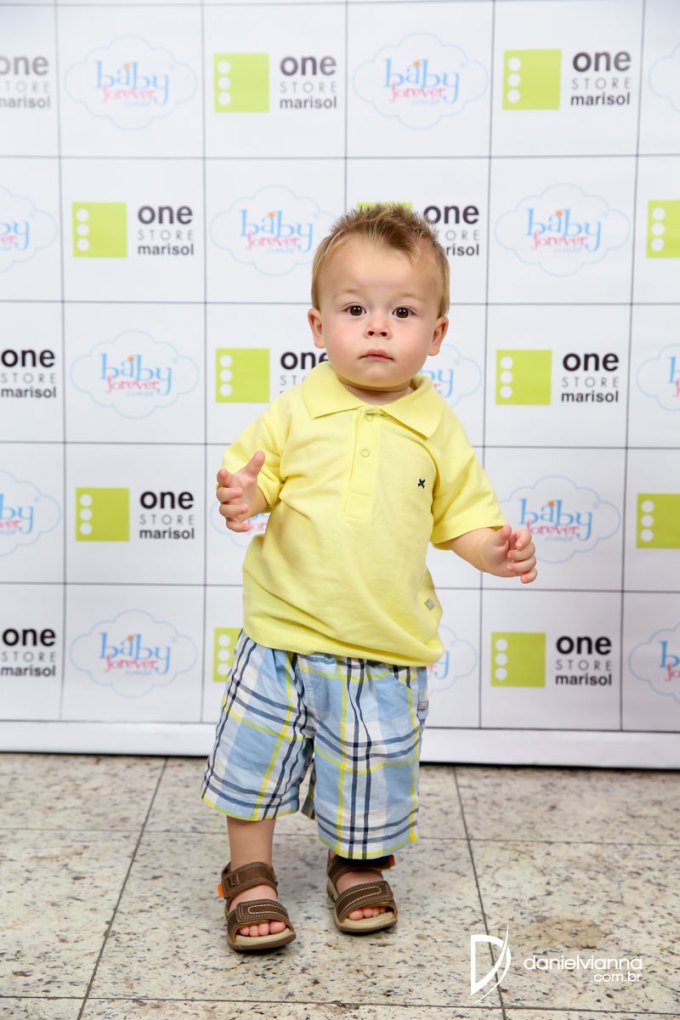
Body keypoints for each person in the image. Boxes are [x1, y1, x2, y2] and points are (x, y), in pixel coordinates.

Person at [202, 204, 537, 952]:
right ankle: (249, 872)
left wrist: (496, 551)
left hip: (383, 642)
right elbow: (256, 479)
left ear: (436, 334)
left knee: (369, 769)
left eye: (402, 312)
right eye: (355, 310)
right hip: (283, 632)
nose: (378, 327)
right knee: (254, 760)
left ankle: (355, 864)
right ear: (319, 326)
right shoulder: (296, 411)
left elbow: (462, 518)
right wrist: (244, 496)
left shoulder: (436, 427)